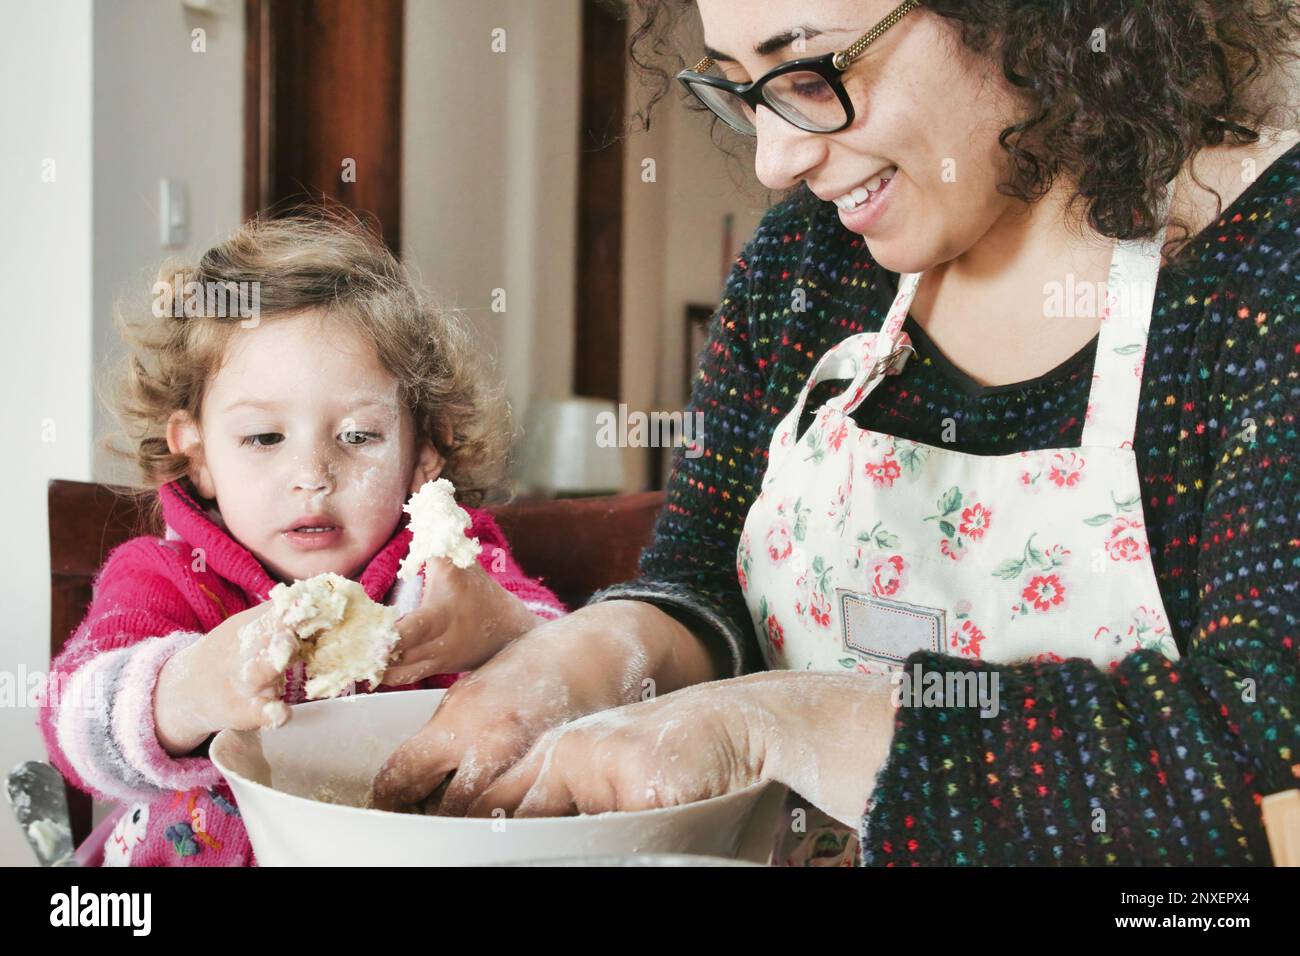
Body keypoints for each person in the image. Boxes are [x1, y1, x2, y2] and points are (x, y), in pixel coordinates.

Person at [374, 0, 1300, 866]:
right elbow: (704, 584)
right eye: (741, 86)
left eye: (811, 74)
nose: (775, 160)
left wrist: (779, 725)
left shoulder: (1266, 265)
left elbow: (1273, 753)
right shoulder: (805, 263)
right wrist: (583, 656)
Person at [37, 212, 566, 865]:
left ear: (426, 449)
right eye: (264, 438)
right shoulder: (162, 575)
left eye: (358, 436)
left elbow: (572, 675)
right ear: (197, 452)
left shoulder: (451, 565)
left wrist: (505, 627)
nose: (312, 477)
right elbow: (72, 722)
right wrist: (191, 685)